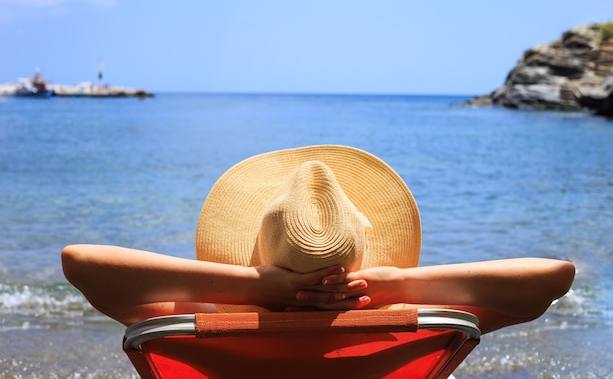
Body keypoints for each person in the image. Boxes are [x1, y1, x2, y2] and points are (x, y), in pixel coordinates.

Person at [62, 145, 575, 334]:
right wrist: (391, 285)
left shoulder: (214, 321)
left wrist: (256, 287)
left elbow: (80, 261)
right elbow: (553, 276)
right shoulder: (395, 327)